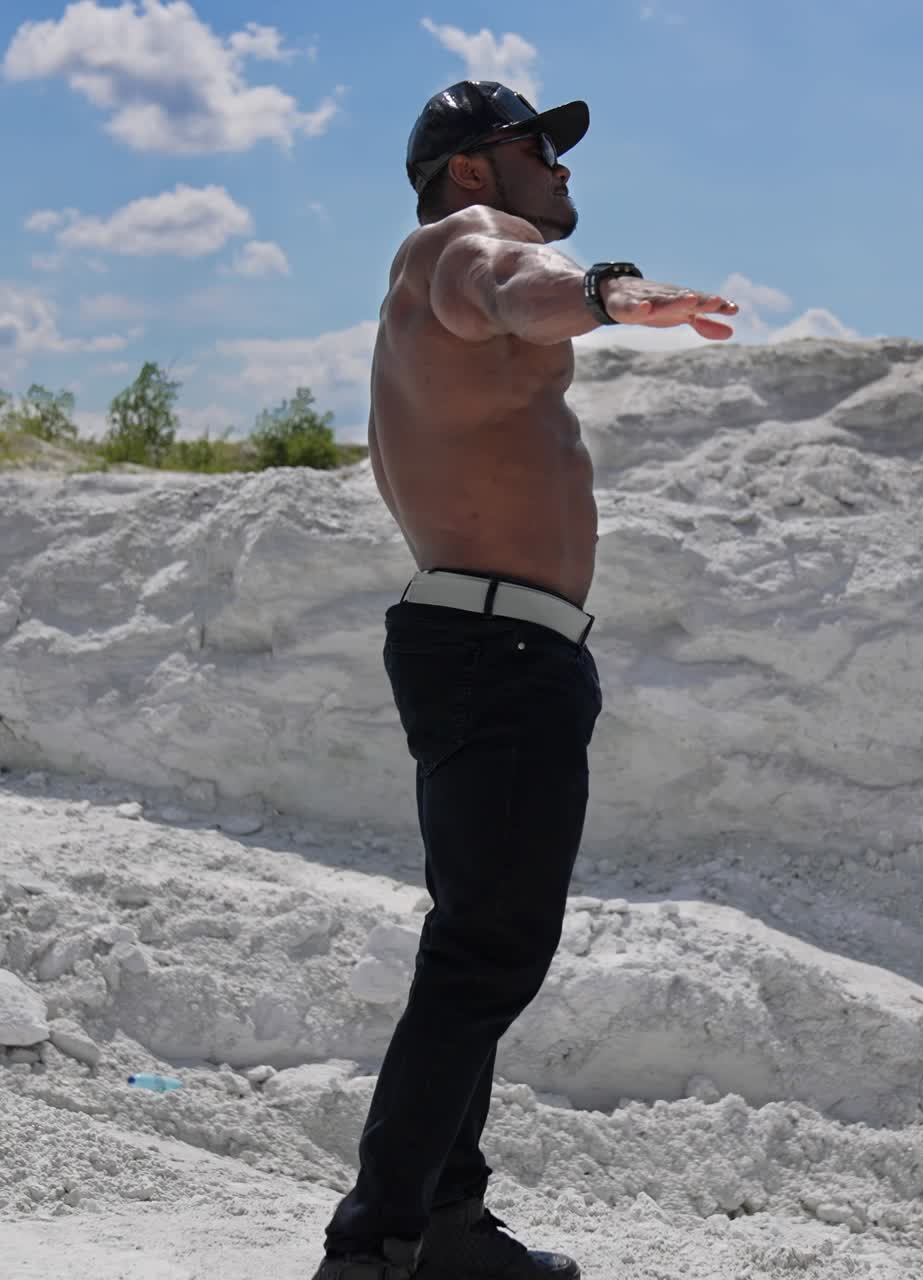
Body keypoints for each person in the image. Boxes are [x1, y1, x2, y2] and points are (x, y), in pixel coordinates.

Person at [312, 80, 738, 1280]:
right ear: (466, 169)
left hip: (497, 646)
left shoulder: (450, 282)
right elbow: (506, 284)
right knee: (484, 953)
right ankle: (376, 1243)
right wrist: (605, 288)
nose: (557, 164)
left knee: (478, 944)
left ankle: (440, 1220)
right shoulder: (460, 245)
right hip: (496, 651)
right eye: (531, 146)